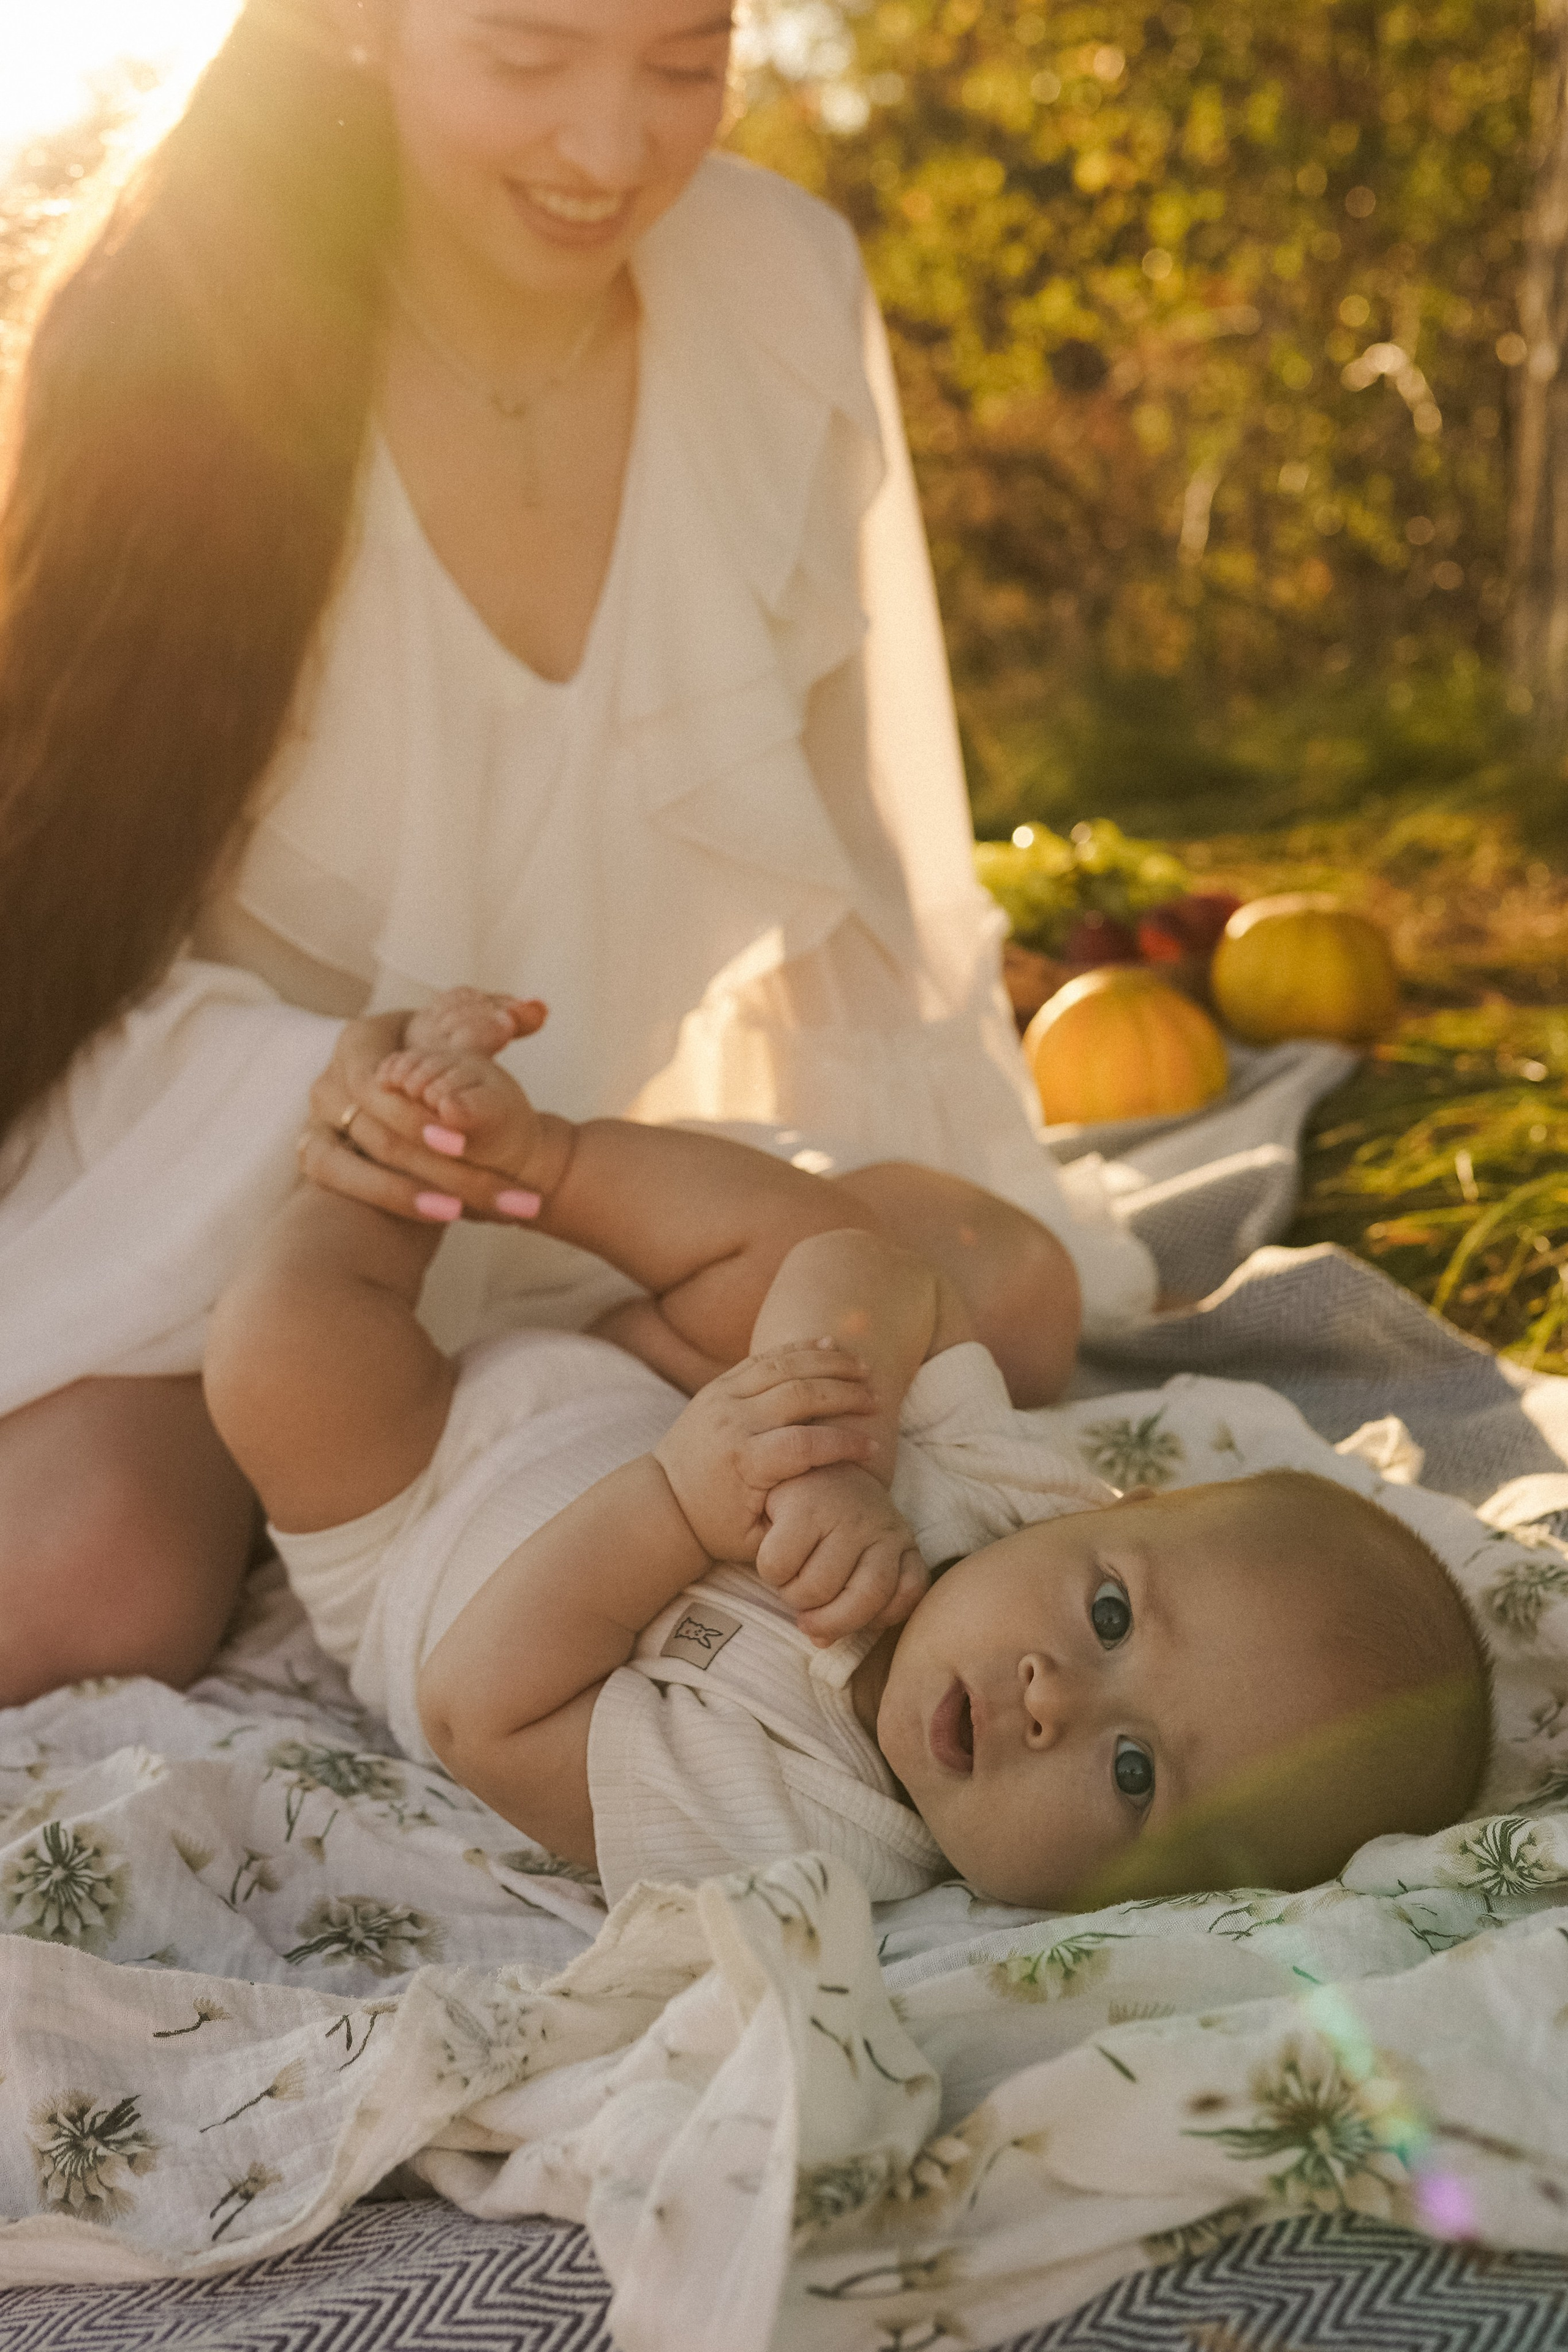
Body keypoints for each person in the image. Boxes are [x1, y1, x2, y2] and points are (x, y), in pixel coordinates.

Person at [0, 0, 1156, 1705]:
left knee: (1008, 1295)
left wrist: (859, 1214)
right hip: (245, 1169)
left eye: (686, 61)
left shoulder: (776, 286)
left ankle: (538, 1397)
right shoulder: (192, 320)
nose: (611, 150)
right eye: (530, 56)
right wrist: (336, 1084)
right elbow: (52, 901)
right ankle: (379, 1431)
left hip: (587, 1177)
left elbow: (862, 834)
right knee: (83, 1586)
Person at [205, 992, 1490, 1910]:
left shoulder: (806, 1840)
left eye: (1134, 1773)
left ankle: (381, 1181)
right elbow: (860, 1268)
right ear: (1112, 1507)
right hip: (641, 1373)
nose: (1054, 1700)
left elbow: (481, 1711)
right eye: (1109, 1614)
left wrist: (678, 1505)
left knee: (279, 1366)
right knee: (808, 1251)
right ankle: (529, 1161)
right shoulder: (992, 1502)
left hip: (409, 1506)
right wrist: (837, 1445)